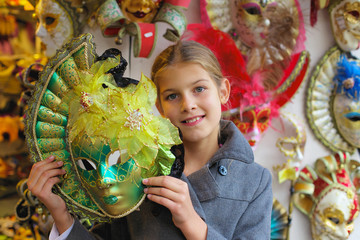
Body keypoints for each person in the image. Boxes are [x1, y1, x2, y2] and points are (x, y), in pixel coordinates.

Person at [27, 40, 273, 239]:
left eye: (199, 89)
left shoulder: (254, 181)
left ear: (223, 91)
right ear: (159, 105)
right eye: (173, 96)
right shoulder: (134, 164)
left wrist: (193, 224)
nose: (188, 105)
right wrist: (61, 214)